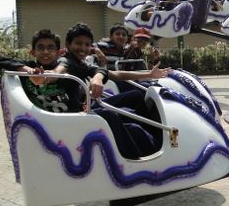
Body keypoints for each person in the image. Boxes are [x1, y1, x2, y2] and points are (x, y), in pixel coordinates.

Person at [36, 23, 172, 158]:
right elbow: (58, 70)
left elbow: (114, 74)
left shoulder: (80, 63)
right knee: (110, 115)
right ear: (68, 44)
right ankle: (135, 158)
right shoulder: (66, 61)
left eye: (87, 44)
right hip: (79, 113)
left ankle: (161, 140)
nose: (82, 48)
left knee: (135, 96)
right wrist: (47, 76)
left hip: (88, 105)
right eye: (78, 43)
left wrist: (149, 74)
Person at [0, 29, 71, 112]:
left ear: (58, 52)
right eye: (40, 48)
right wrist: (26, 69)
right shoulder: (29, 66)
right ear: (33, 52)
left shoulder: (62, 67)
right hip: (34, 117)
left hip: (64, 117)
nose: (45, 51)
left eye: (51, 47)